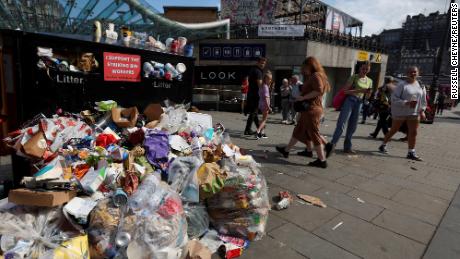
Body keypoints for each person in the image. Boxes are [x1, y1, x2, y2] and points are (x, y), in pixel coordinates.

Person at [276, 57, 331, 168]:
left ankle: (322, 160)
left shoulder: (315, 76)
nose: (303, 70)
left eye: (305, 67)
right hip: (309, 109)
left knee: (314, 133)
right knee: (299, 130)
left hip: (311, 109)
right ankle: (286, 150)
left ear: (310, 66)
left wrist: (303, 97)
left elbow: (319, 90)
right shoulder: (319, 75)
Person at [379, 66, 427, 161]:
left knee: (413, 132)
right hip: (401, 112)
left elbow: (423, 100)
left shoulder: (421, 85)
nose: (413, 73)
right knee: (394, 130)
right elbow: (394, 98)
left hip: (414, 112)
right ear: (407, 73)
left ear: (418, 73)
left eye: (415, 72)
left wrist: (422, 111)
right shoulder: (402, 85)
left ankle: (411, 152)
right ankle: (383, 144)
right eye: (411, 72)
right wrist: (406, 102)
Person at [326, 62, 373, 156]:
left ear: (369, 70)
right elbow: (346, 91)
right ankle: (332, 145)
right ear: (360, 68)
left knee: (353, 126)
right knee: (342, 123)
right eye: (363, 69)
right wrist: (360, 90)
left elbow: (368, 96)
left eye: (366, 69)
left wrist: (368, 93)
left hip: (359, 103)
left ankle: (347, 147)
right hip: (350, 100)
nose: (364, 71)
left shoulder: (369, 81)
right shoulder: (354, 77)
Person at [244, 57, 267, 135]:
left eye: (264, 63)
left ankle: (258, 129)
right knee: (254, 112)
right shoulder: (258, 71)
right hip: (255, 95)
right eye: (261, 63)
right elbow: (259, 84)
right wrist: (265, 91)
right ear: (258, 62)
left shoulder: (253, 69)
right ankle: (247, 130)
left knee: (254, 113)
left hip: (251, 93)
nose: (263, 64)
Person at [256, 71, 273, 139]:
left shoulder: (262, 86)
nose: (270, 80)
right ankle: (258, 131)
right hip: (265, 104)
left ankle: (262, 133)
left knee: (263, 119)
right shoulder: (265, 87)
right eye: (269, 79)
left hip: (261, 103)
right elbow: (266, 97)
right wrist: (268, 107)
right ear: (265, 79)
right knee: (264, 120)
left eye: (271, 79)